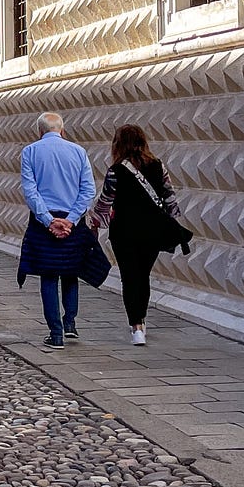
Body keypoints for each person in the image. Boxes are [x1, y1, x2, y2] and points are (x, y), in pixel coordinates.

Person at [88, 124, 191, 345]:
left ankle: (136, 326)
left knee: (129, 277)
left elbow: (106, 200)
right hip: (152, 231)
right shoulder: (157, 166)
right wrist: (172, 219)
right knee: (143, 276)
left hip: (124, 231)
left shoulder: (116, 171)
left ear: (118, 144)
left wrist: (94, 223)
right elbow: (169, 195)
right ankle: (141, 320)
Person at [18, 111, 99, 350]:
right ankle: (70, 322)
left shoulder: (30, 152)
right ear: (62, 131)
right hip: (72, 221)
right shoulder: (79, 152)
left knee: (49, 276)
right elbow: (88, 191)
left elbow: (30, 191)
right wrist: (71, 220)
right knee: (71, 272)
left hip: (44, 222)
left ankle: (56, 334)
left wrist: (48, 220)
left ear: (39, 131)